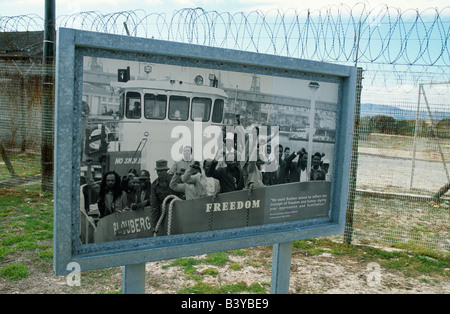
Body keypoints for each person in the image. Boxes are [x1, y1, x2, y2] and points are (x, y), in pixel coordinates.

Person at [149, 160, 178, 230]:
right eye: (158, 171)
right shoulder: (154, 185)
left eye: (161, 171)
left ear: (166, 170)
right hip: (165, 212)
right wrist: (154, 225)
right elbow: (154, 206)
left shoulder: (173, 180)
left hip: (177, 209)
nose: (159, 173)